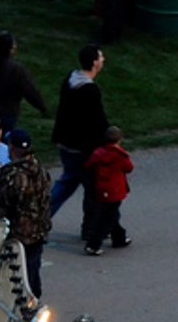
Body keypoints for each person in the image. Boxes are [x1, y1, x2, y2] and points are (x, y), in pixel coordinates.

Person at [0, 129, 52, 300]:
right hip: (38, 230)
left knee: (14, 272)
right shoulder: (40, 170)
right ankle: (34, 300)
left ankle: (17, 304)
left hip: (17, 233)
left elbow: (1, 203)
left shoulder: (11, 174)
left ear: (12, 148)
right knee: (32, 269)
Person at [50, 46, 108, 226]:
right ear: (94, 63)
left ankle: (42, 216)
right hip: (82, 147)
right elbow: (97, 121)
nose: (103, 59)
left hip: (65, 141)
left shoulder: (70, 80)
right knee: (91, 188)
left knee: (68, 181)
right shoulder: (90, 90)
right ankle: (91, 227)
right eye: (100, 56)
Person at [0, 32, 48, 129]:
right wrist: (41, 107)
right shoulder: (17, 70)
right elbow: (30, 91)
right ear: (10, 49)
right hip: (8, 113)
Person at [82, 125, 134, 256]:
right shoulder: (120, 155)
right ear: (119, 140)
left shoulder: (98, 153)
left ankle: (119, 237)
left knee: (111, 214)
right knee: (106, 219)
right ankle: (93, 245)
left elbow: (88, 165)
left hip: (101, 190)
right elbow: (129, 168)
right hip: (115, 191)